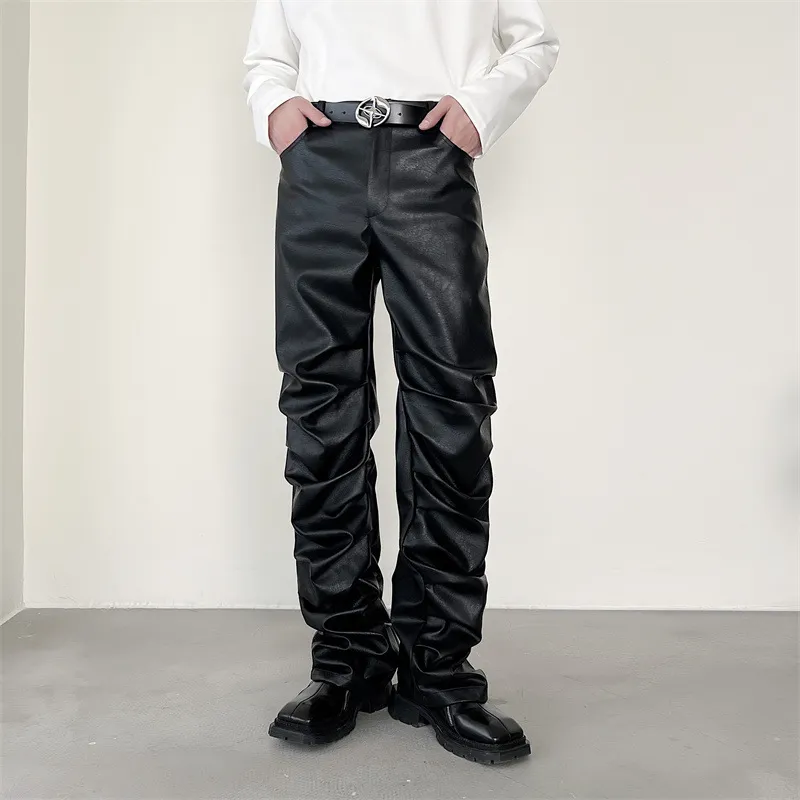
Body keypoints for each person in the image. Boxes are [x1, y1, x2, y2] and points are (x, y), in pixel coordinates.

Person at [243, 0, 558, 765]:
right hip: (320, 159)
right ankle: (345, 658)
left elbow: (535, 39)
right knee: (321, 404)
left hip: (432, 156)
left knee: (452, 403)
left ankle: (438, 670)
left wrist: (480, 107)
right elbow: (267, 55)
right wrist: (277, 107)